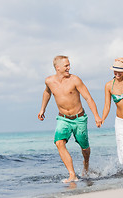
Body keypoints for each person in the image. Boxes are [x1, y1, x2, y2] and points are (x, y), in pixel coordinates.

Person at [38, 55, 102, 183]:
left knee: (84, 148)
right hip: (63, 119)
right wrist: (42, 109)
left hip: (79, 118)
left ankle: (86, 164)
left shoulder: (75, 80)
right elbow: (47, 92)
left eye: (69, 65)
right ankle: (72, 174)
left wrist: (96, 116)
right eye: (66, 65)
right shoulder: (49, 81)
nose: (69, 67)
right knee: (59, 142)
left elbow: (88, 98)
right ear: (58, 67)